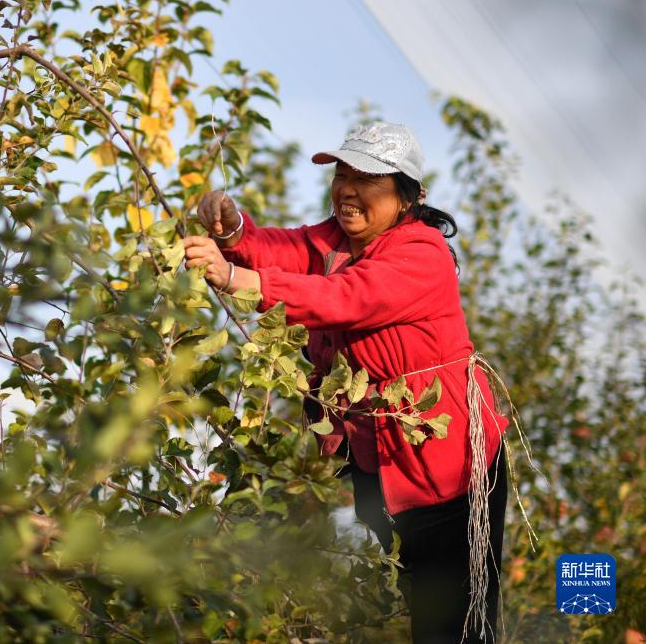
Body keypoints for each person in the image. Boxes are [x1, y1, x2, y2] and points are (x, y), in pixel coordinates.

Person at [182, 122, 512, 644]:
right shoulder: (339, 238)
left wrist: (236, 278)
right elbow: (288, 250)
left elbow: (345, 298)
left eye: (368, 179)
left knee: (456, 623)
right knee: (415, 602)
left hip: (450, 469)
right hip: (380, 463)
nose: (347, 190)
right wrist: (234, 234)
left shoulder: (421, 255)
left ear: (408, 196)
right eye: (343, 174)